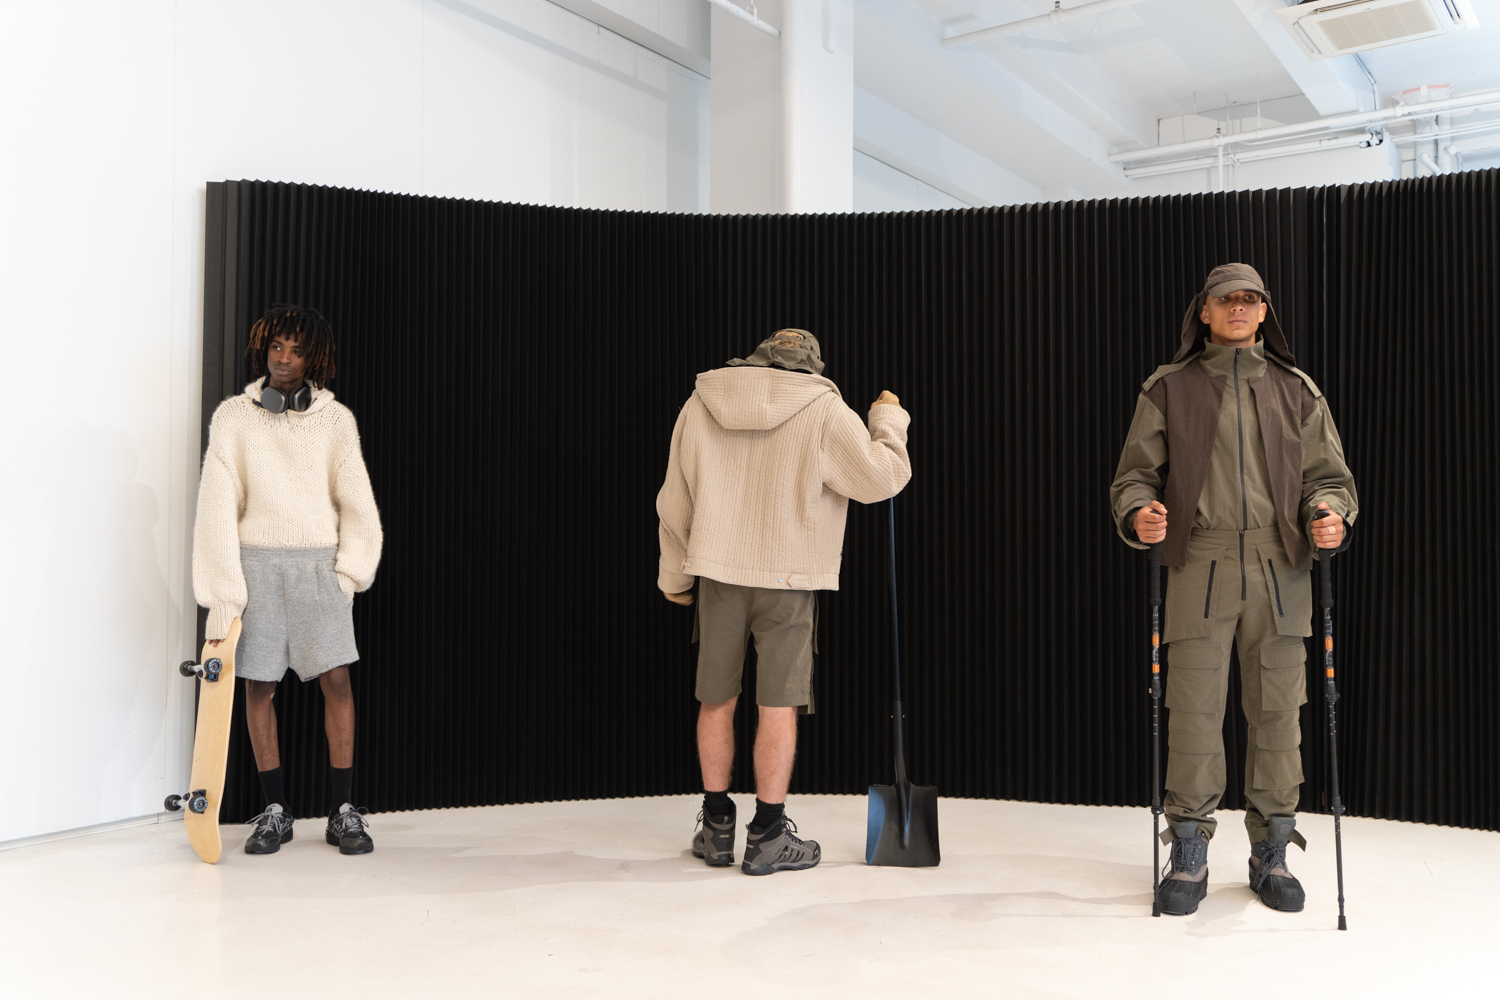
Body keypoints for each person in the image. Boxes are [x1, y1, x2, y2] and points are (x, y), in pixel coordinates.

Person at [1111, 264, 1358, 915]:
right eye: (1228, 300)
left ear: (1264, 311)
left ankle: (1270, 850)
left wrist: (1329, 513)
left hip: (1283, 575)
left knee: (1278, 720)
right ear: (1206, 312)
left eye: (1251, 300)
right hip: (1202, 567)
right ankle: (1189, 851)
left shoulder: (1296, 390)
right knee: (1192, 717)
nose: (1239, 309)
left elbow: (1328, 479)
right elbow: (1133, 478)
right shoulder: (1169, 389)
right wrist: (1141, 514)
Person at [657, 329, 911, 876]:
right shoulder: (824, 406)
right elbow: (882, 479)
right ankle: (768, 833)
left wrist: (673, 577)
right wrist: (888, 421)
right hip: (790, 576)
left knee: (716, 697)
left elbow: (675, 497)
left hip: (717, 571)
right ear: (812, 365)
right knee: (778, 702)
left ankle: (717, 825)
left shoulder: (701, 400)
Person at [193, 304, 384, 856]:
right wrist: (224, 594)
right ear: (264, 349)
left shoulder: (335, 420)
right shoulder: (233, 416)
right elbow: (216, 506)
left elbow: (357, 502)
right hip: (256, 565)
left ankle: (343, 810)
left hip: (318, 567)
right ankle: (275, 810)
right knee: (258, 686)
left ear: (314, 358)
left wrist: (348, 574)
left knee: (339, 683)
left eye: (296, 350)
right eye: (277, 347)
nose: (284, 358)